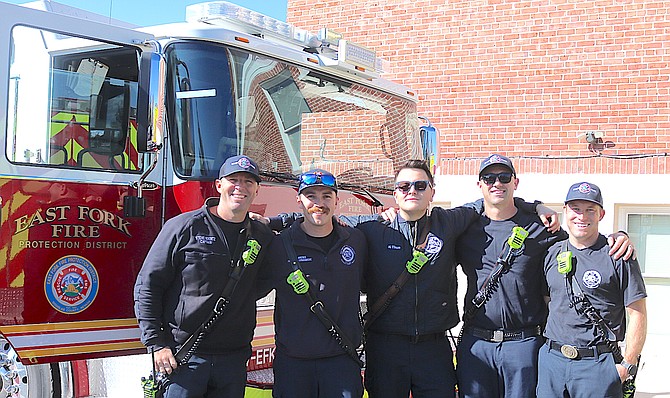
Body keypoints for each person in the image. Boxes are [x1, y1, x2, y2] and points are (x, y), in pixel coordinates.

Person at [262, 159, 554, 398]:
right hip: (386, 347)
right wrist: (274, 221)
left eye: (419, 185)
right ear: (396, 192)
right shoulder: (372, 227)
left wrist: (536, 206)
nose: (411, 190)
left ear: (432, 191)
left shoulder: (449, 221)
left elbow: (492, 200)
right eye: (403, 186)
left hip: (434, 347)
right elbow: (320, 215)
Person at [455, 154, 634, 398]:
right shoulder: (465, 226)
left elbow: (580, 240)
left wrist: (618, 236)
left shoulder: (540, 226)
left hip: (523, 344)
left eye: (504, 177)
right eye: (489, 178)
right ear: (480, 185)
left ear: (515, 183)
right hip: (477, 342)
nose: (497, 183)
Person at [133, 155, 273, 398]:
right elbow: (148, 285)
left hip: (233, 359)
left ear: (257, 190)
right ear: (219, 185)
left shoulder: (262, 236)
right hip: (184, 357)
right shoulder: (184, 227)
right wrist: (156, 344)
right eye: (234, 180)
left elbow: (263, 282)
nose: (240, 187)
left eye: (248, 182)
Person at [259, 169, 367, 398]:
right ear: (299, 201)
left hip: (342, 360)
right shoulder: (278, 246)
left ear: (337, 200)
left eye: (327, 196)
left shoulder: (356, 240)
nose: (319, 203)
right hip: (294, 364)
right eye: (311, 196)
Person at [537, 182, 647, 397]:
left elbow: (638, 313)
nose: (582, 216)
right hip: (552, 361)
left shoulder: (617, 254)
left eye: (590, 210)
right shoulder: (551, 253)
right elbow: (548, 301)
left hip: (597, 365)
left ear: (601, 214)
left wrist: (628, 365)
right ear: (565, 211)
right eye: (576, 208)